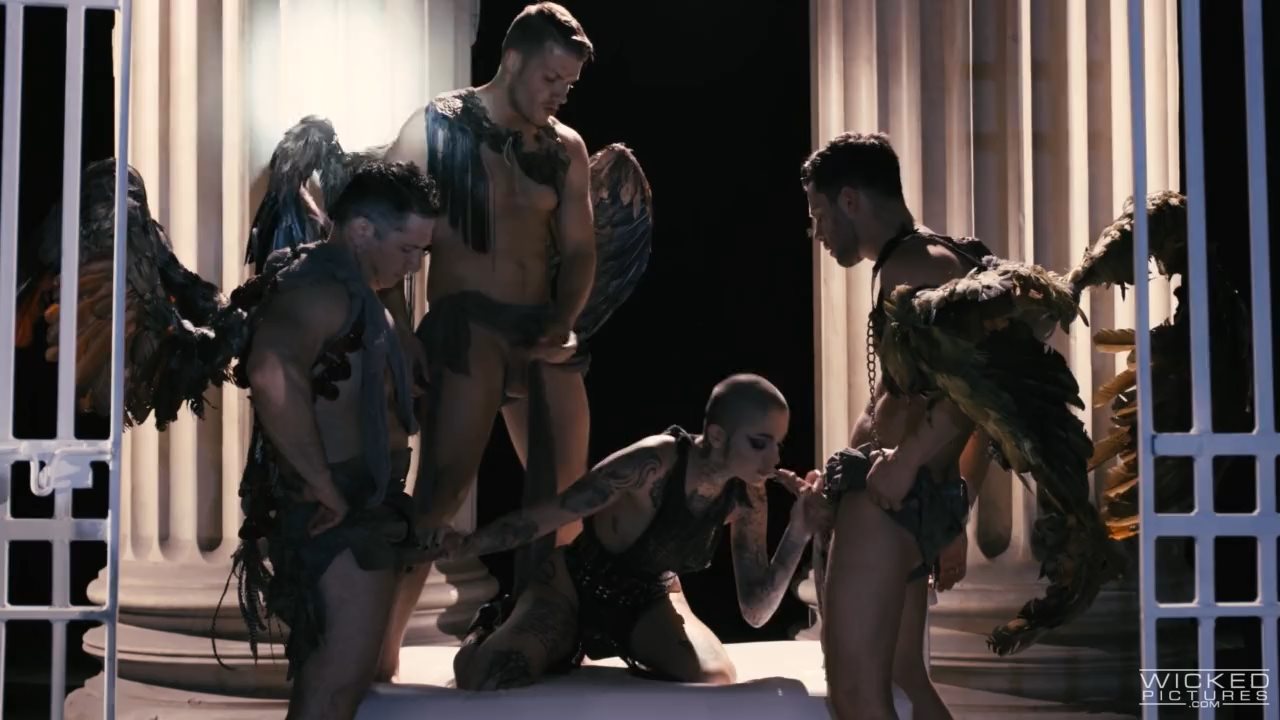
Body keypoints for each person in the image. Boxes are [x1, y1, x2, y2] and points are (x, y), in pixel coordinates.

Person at [376, 2, 599, 681]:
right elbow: (383, 228)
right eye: (551, 79)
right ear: (513, 60)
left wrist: (563, 318)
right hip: (466, 325)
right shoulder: (436, 126)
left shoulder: (565, 148)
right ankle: (375, 652)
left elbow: (580, 250)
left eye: (569, 84)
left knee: (568, 499)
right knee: (439, 492)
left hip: (539, 332)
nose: (560, 94)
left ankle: (546, 638)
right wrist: (399, 330)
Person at [430, 374, 828, 690]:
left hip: (649, 599)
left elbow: (756, 611)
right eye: (759, 443)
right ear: (718, 435)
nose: (774, 458)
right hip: (574, 587)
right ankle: (493, 625)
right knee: (492, 674)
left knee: (714, 677)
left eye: (778, 444)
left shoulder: (748, 496)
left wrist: (799, 529)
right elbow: (552, 513)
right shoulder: (652, 462)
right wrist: (468, 544)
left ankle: (606, 646)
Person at [232, 161, 440, 719]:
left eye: (422, 251)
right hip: (339, 513)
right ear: (362, 230)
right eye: (408, 249)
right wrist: (324, 485)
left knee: (338, 687)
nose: (416, 265)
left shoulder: (356, 290)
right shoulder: (323, 289)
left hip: (360, 503)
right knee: (332, 690)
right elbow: (270, 370)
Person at [802, 132, 988, 719]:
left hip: (889, 499)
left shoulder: (914, 265)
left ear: (850, 200)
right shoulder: (936, 258)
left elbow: (976, 389)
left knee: (857, 694)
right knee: (905, 679)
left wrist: (904, 465)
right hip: (909, 493)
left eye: (819, 213)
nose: (817, 232)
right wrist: (954, 506)